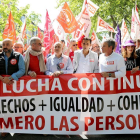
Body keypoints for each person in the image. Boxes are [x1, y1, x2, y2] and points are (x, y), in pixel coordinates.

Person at [0, 38, 25, 138]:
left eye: (7, 44)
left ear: (12, 46)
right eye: (3, 44)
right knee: (3, 107)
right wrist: (2, 79)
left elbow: (22, 70)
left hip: (14, 86)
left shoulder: (19, 56)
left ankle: (18, 128)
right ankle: (4, 128)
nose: (5, 46)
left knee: (16, 107)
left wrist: (10, 78)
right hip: (2, 86)